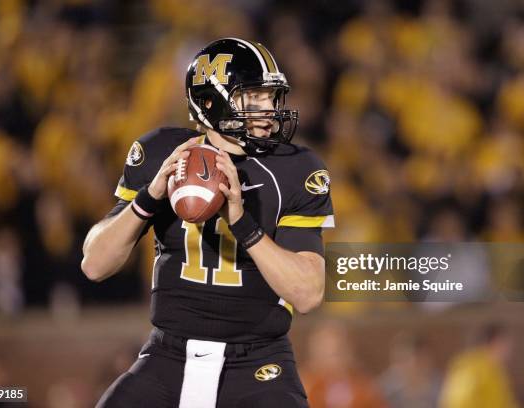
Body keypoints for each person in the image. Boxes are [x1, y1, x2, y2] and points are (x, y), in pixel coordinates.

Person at [81, 38, 334, 407]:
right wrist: (149, 198)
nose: (269, 109)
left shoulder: (295, 167)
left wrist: (241, 221)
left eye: (271, 97)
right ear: (212, 102)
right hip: (168, 354)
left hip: (258, 362)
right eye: (254, 97)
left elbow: (309, 293)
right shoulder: (161, 152)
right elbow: (94, 264)